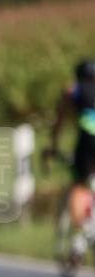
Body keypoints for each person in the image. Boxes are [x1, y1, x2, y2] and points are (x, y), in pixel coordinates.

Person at [49, 58, 95, 253]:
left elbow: (59, 120)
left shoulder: (73, 88)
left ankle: (82, 235)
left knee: (79, 185)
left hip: (89, 140)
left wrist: (53, 143)